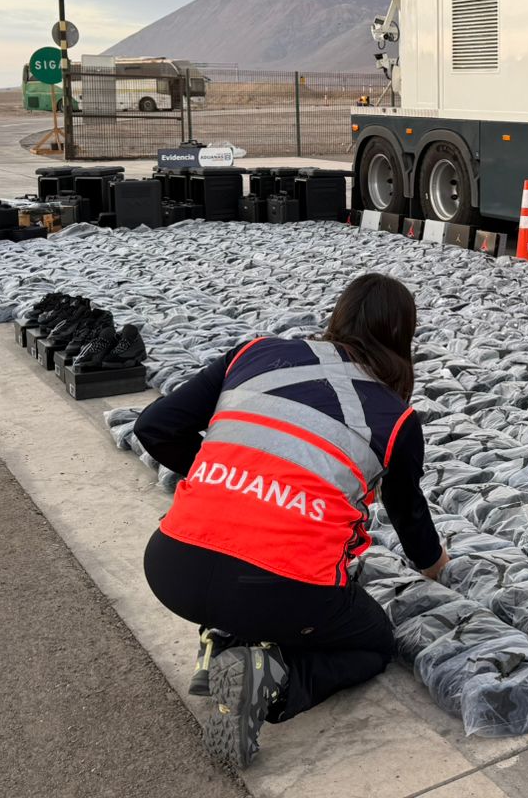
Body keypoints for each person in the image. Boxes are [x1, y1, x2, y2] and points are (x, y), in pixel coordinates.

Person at [134, 273, 448, 770]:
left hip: (173, 567)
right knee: (373, 644)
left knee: (241, 573)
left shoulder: (253, 353)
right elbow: (409, 514)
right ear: (402, 338)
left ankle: (221, 640)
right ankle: (271, 679)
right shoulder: (396, 418)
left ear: (338, 317)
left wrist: (227, 475)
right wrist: (435, 565)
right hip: (279, 588)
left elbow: (154, 427)